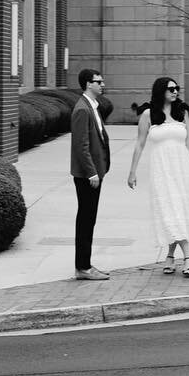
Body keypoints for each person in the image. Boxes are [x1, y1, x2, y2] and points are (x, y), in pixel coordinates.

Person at [127, 74, 189, 277]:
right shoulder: (148, 115)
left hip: (182, 168)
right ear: (161, 91)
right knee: (168, 211)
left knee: (179, 210)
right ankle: (183, 257)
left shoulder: (183, 112)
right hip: (161, 170)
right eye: (171, 89)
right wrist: (132, 171)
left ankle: (180, 256)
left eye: (176, 88)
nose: (175, 91)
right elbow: (140, 144)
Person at [70, 67, 111, 280]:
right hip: (88, 175)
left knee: (88, 219)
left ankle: (85, 265)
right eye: (99, 81)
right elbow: (81, 145)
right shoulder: (82, 109)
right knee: (86, 220)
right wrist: (91, 172)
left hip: (95, 172)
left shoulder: (92, 106)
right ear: (88, 84)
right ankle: (83, 268)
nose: (102, 84)